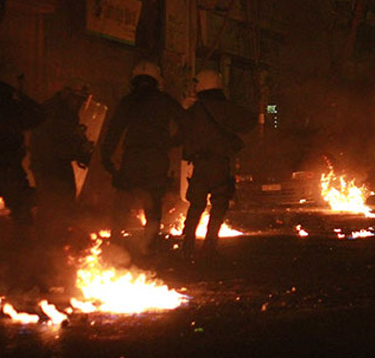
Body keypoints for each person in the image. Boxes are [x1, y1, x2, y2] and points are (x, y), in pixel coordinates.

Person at [100, 61, 184, 255]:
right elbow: (186, 125)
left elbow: (114, 130)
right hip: (156, 157)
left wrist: (106, 157)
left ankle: (115, 244)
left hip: (133, 156)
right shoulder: (165, 100)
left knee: (123, 199)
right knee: (153, 201)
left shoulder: (129, 100)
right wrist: (171, 142)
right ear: (157, 81)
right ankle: (150, 246)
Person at [181, 69, 254, 261]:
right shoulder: (225, 108)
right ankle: (209, 246)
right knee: (219, 204)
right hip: (220, 164)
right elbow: (248, 121)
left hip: (199, 164)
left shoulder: (193, 109)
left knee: (196, 204)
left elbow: (184, 135)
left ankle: (187, 244)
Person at [0, 63, 46, 227]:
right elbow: (40, 116)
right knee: (22, 215)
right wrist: (22, 95)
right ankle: (22, 250)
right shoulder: (11, 107)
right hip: (9, 170)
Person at [30, 86, 94, 213]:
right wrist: (81, 152)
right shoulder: (55, 113)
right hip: (48, 166)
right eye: (77, 99)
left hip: (55, 164)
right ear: (67, 95)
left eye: (83, 100)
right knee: (56, 205)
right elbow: (59, 145)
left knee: (63, 203)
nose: (80, 104)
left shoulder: (67, 113)